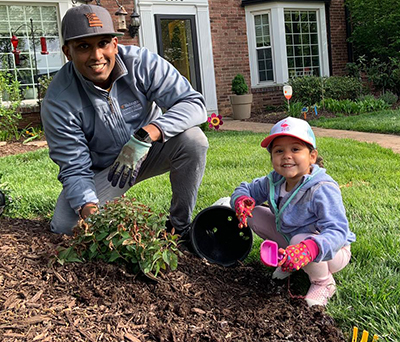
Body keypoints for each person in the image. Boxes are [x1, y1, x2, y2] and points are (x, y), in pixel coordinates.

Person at [41, 4, 208, 236]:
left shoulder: (142, 63)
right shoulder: (59, 100)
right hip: (106, 170)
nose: (96, 56)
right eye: (83, 47)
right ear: (68, 52)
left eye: (103, 43)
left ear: (115, 45)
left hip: (150, 150)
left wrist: (148, 133)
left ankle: (179, 227)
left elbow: (194, 104)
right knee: (66, 225)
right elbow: (74, 168)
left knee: (194, 140)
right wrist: (90, 210)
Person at [230, 117, 356, 307]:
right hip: (292, 238)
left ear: (312, 156)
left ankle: (323, 282)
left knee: (300, 240)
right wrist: (242, 201)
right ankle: (289, 259)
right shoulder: (274, 181)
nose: (287, 156)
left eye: (295, 149)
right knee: (254, 213)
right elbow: (245, 189)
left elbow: (338, 232)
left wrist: (309, 249)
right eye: (279, 150)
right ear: (271, 157)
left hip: (332, 252)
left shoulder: (322, 188)